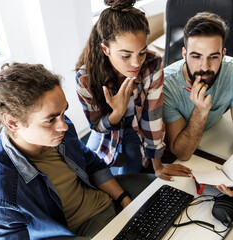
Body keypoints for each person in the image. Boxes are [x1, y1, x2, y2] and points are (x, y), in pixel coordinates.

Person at [0, 63, 153, 239]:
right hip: (80, 232)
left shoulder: (60, 129)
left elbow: (91, 163)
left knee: (170, 193)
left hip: (106, 202)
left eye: (63, 112)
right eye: (51, 119)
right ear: (13, 123)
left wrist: (124, 199)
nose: (63, 125)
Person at [75, 0, 191, 180]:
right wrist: (117, 112)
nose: (137, 63)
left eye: (142, 52)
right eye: (125, 55)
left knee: (130, 178)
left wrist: (158, 166)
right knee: (89, 176)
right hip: (106, 129)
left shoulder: (152, 64)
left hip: (135, 127)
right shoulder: (85, 79)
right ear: (106, 49)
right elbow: (97, 126)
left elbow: (152, 117)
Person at [163, 12, 233, 197]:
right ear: (184, 54)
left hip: (212, 143)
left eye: (213, 57)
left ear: (223, 54)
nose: (204, 67)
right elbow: (182, 153)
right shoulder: (167, 85)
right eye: (196, 56)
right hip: (183, 159)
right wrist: (200, 111)